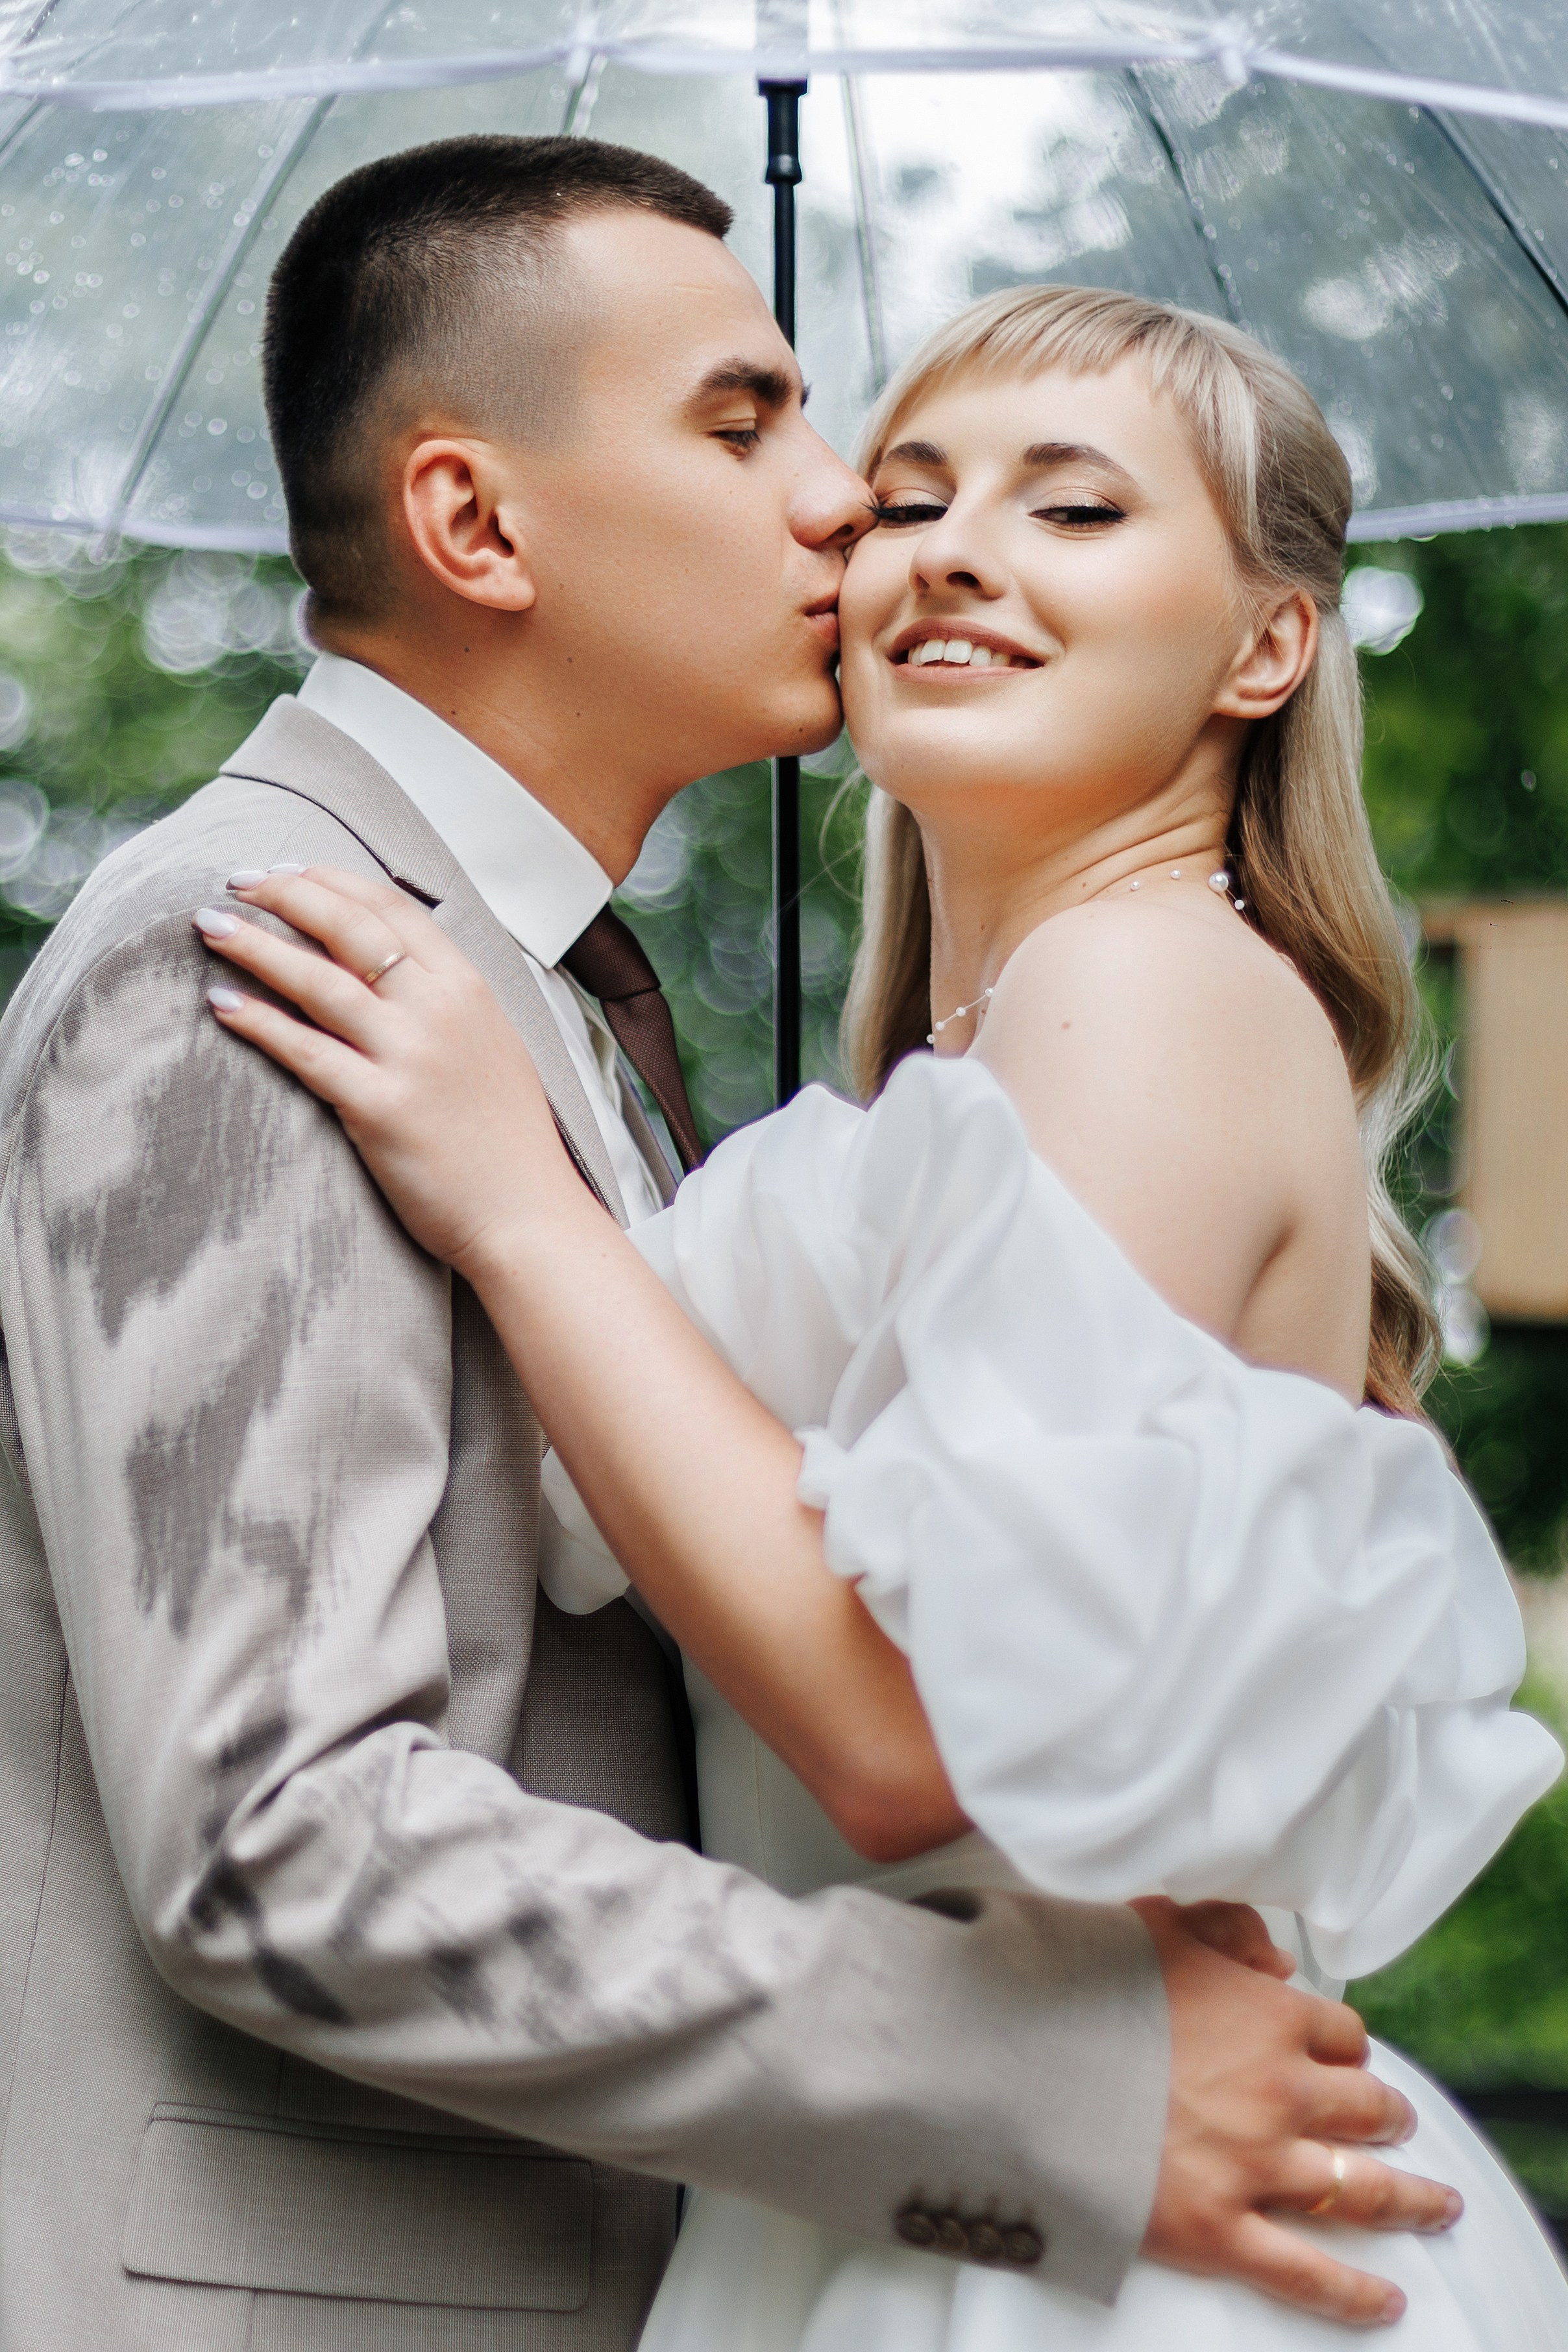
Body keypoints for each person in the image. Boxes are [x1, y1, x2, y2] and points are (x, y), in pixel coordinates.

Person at [0, 134, 1488, 2351]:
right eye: (755, 423)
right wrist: (1031, 2085)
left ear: (1271, 642)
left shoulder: (565, 1013)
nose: (849, 510)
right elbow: (281, 1833)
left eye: (1057, 501)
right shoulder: (258, 957)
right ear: (477, 522)